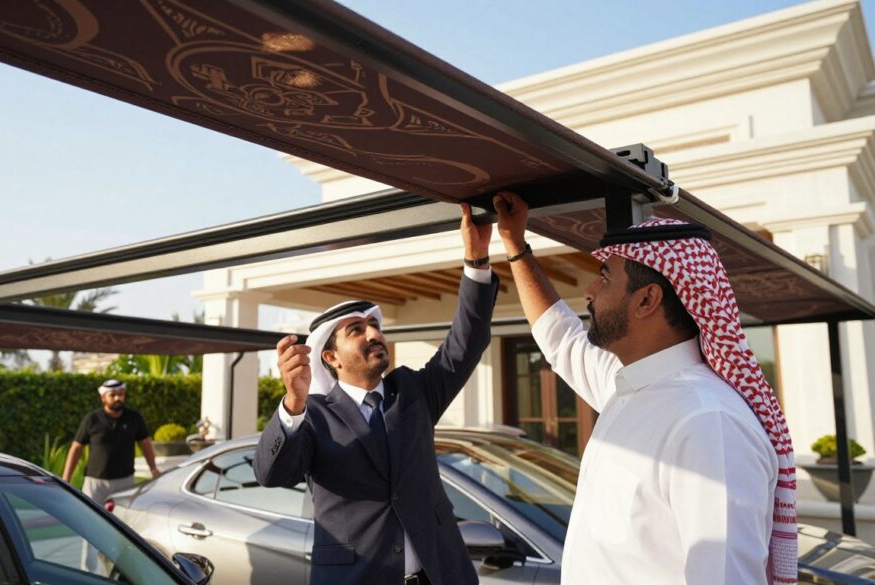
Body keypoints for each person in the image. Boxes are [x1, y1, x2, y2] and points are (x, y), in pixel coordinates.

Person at [492, 191, 797, 584]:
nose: (589, 292)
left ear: (647, 300)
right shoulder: (630, 389)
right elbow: (560, 338)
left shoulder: (707, 422)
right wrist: (516, 247)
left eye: (605, 278)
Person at [253, 204, 497, 585]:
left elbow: (465, 344)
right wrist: (293, 404)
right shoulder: (312, 417)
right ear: (330, 357)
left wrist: (477, 263)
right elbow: (271, 475)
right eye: (356, 330)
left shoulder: (413, 392)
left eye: (373, 325)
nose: (373, 334)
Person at [63, 379, 161, 572]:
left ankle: (120, 572)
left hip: (125, 484)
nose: (118, 398)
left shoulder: (134, 418)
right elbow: (76, 448)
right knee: (89, 527)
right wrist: (65, 478)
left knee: (123, 530)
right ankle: (87, 572)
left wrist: (154, 469)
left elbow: (145, 444)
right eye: (113, 394)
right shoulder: (91, 419)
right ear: (103, 397)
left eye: (121, 394)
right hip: (94, 485)